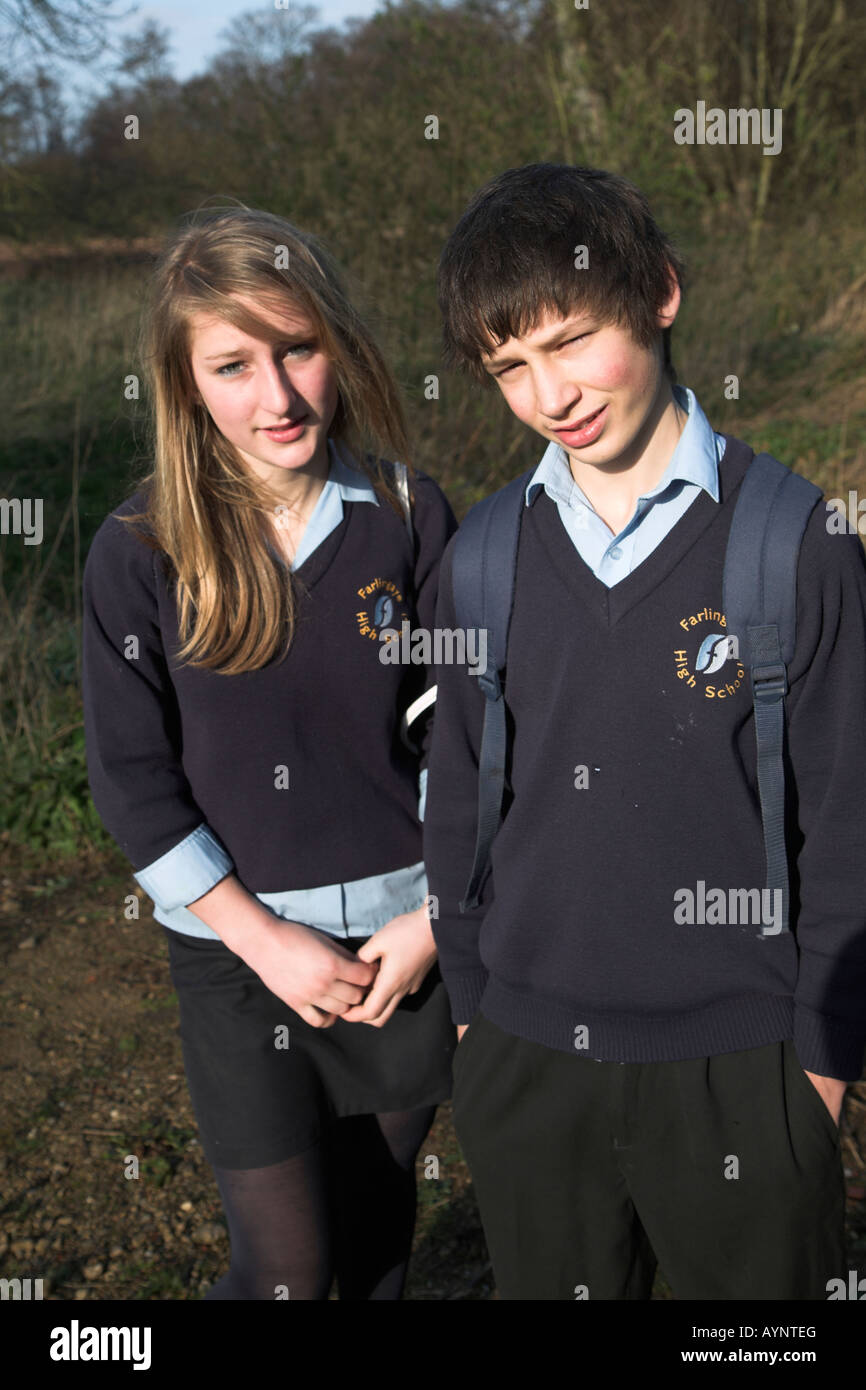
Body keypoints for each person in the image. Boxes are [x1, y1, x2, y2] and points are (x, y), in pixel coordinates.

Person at [423, 163, 866, 1300]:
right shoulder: (480, 560)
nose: (548, 394)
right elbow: (462, 808)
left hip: (743, 1069)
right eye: (508, 367)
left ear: (658, 293)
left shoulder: (794, 544)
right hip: (527, 1067)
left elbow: (848, 822)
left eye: (569, 341)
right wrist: (478, 1025)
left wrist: (817, 1065)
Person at [82, 205, 458, 1300]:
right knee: (287, 1267)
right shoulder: (141, 549)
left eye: (298, 349)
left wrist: (433, 919)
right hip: (241, 963)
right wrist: (262, 940)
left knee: (378, 1237)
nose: (278, 395)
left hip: (401, 952)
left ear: (337, 339)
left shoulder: (408, 513)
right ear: (184, 379)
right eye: (234, 364)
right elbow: (134, 784)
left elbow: (463, 732)